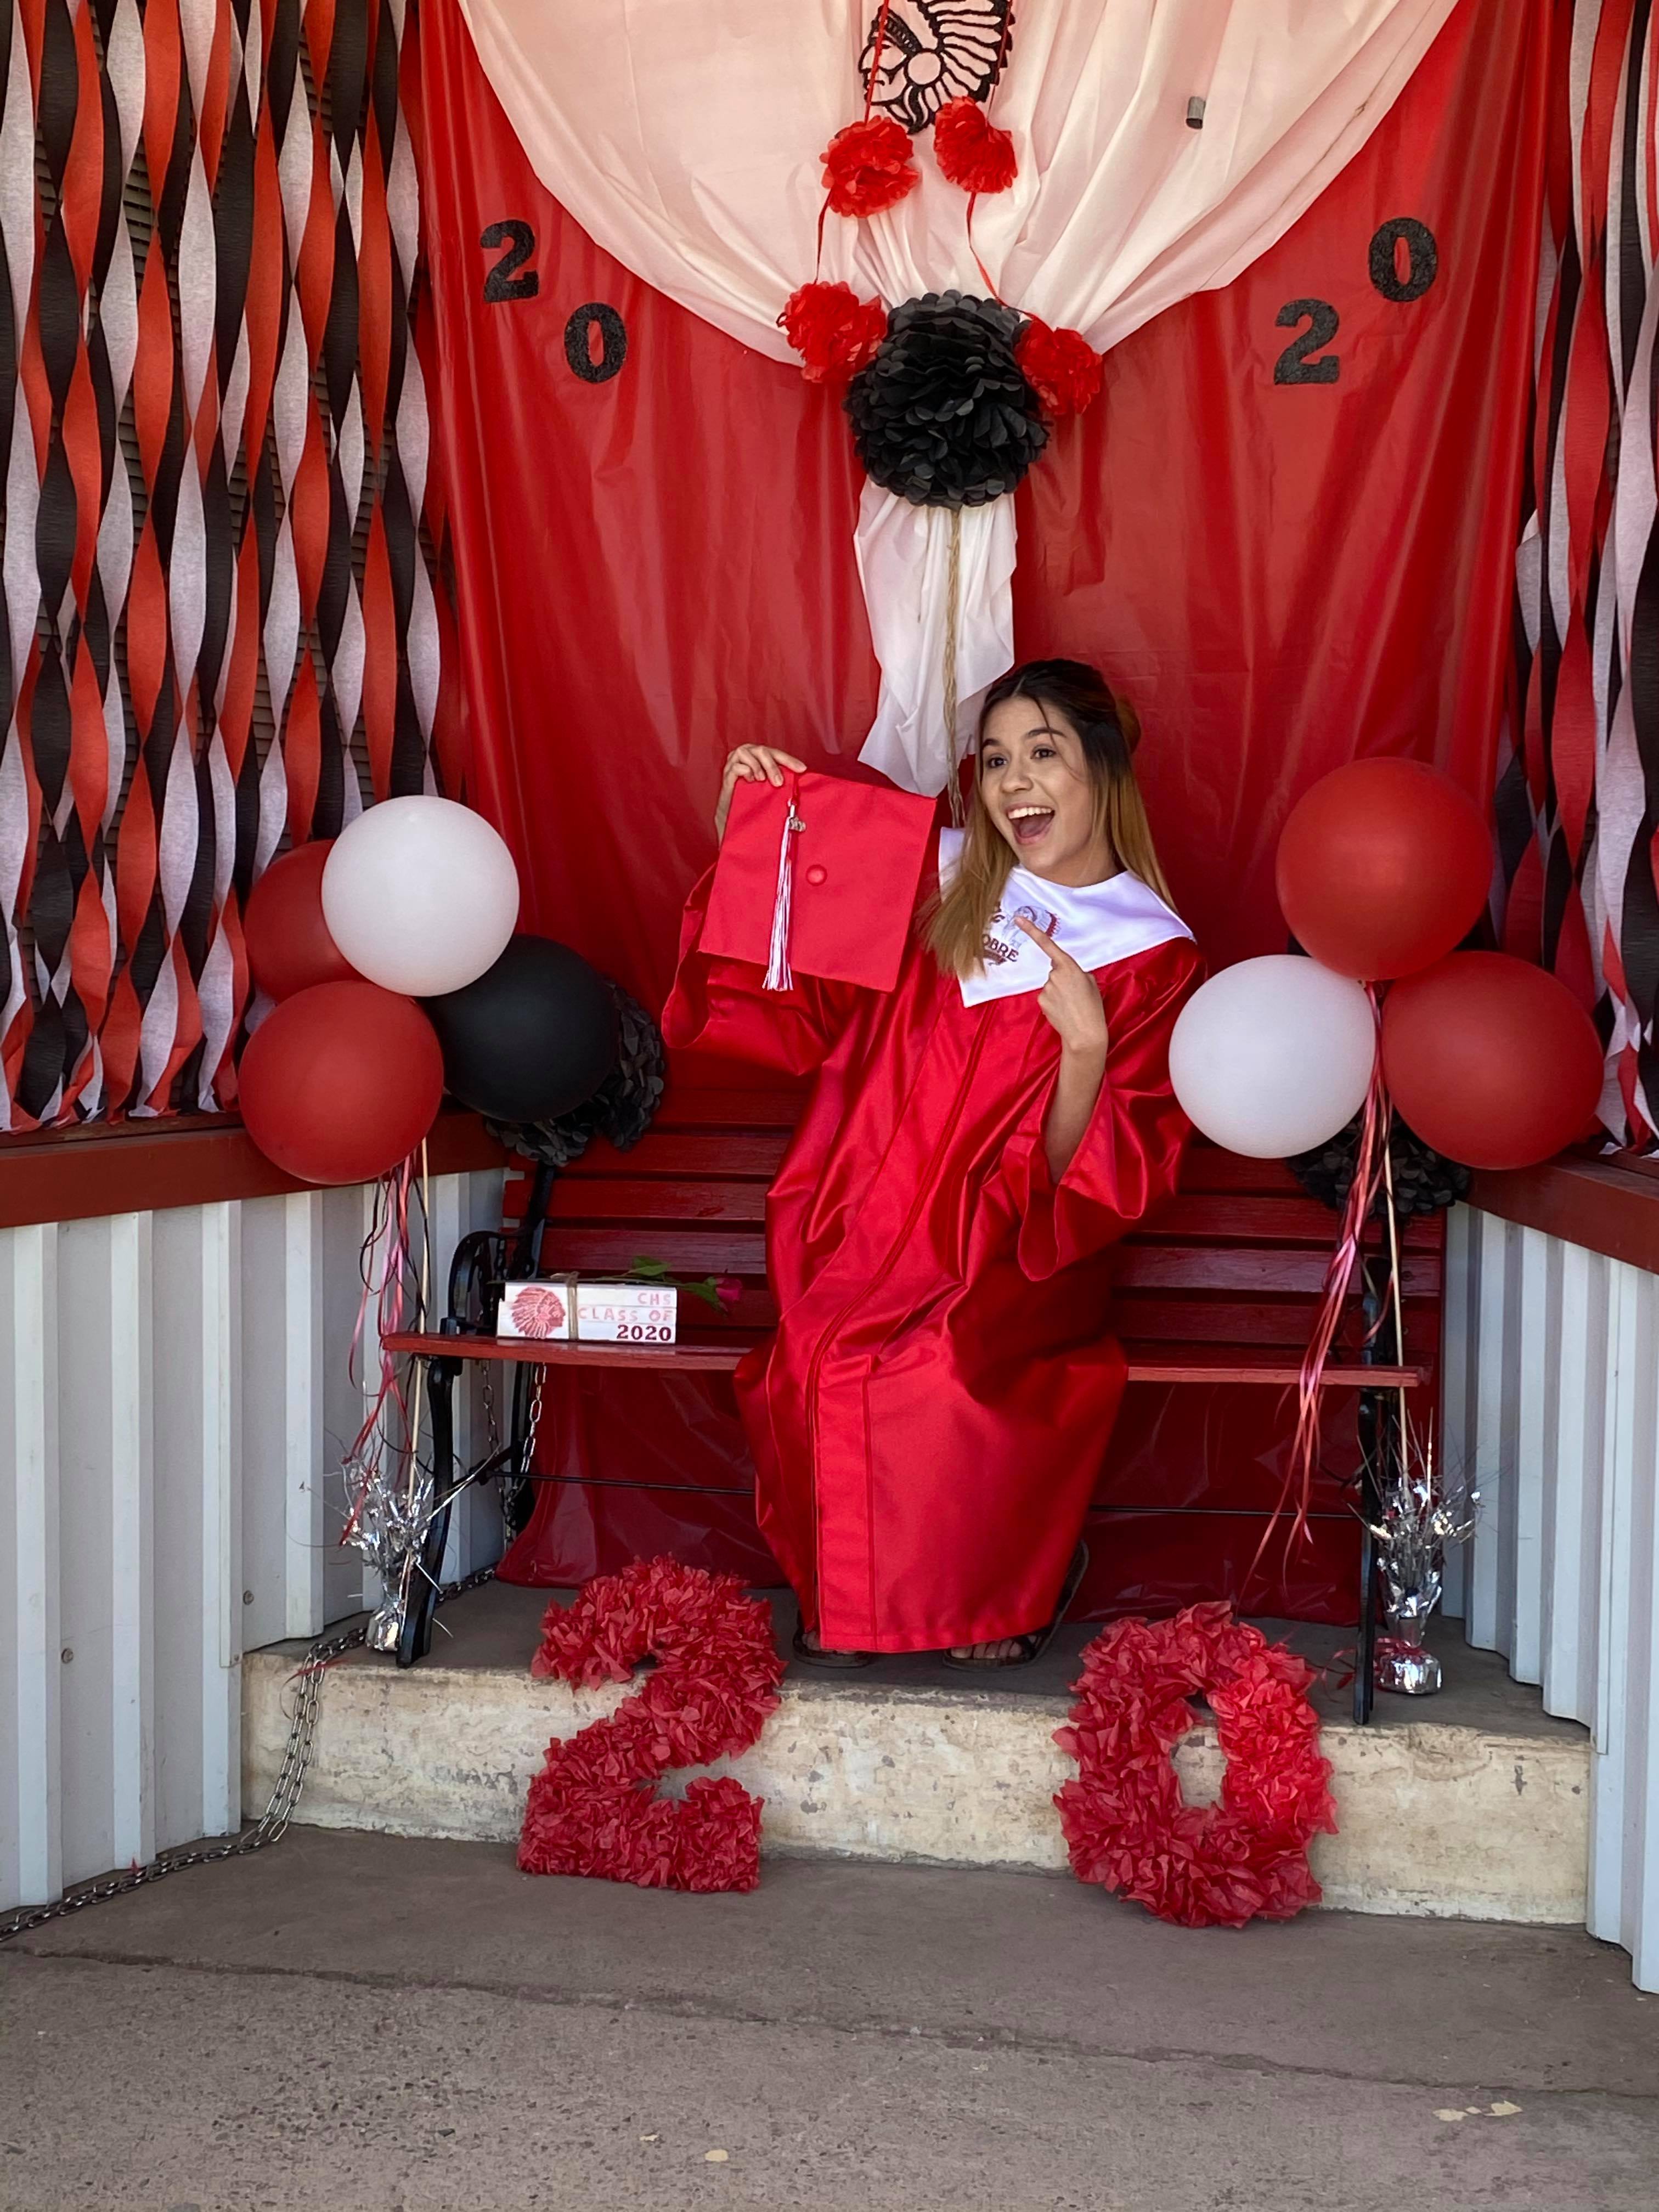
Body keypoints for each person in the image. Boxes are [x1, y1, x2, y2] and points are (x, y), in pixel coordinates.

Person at [662, 659, 1201, 1666]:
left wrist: (1085, 1049)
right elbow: (785, 978)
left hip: (1014, 1244)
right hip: (857, 1209)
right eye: (995, 760)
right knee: (813, 1358)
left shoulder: (1154, 954)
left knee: (940, 1358)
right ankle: (866, 1599)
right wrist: (753, 823)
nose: (1014, 783)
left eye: (1045, 753)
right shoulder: (938, 878)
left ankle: (983, 1599)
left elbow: (1101, 1179)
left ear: (1105, 772)